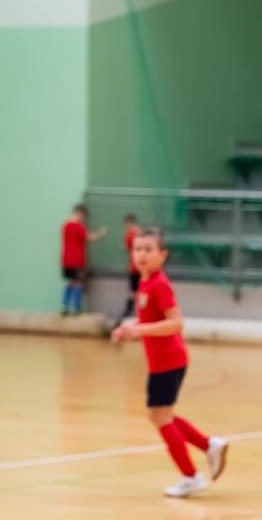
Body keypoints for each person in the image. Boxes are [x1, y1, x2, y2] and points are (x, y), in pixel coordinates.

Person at [110, 228, 228, 497]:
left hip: (168, 360)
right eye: (137, 249)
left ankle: (191, 475)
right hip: (162, 361)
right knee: (160, 415)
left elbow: (175, 323)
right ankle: (209, 446)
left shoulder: (159, 284)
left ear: (162, 255)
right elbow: (151, 319)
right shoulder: (145, 282)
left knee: (160, 417)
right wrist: (130, 326)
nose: (141, 254)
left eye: (148, 250)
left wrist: (140, 331)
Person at [60, 204, 106, 316]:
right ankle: (76, 308)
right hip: (77, 260)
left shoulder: (65, 225)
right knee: (79, 283)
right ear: (80, 213)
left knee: (70, 282)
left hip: (66, 260)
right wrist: (101, 233)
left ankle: (65, 306)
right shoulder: (78, 227)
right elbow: (91, 237)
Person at [118, 213, 141, 324]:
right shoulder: (141, 233)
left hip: (134, 268)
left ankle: (129, 311)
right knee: (140, 290)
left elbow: (125, 247)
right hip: (142, 268)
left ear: (129, 223)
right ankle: (137, 311)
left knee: (133, 291)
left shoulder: (131, 235)